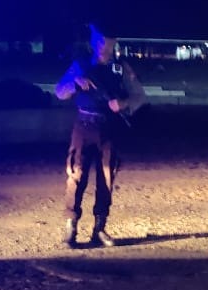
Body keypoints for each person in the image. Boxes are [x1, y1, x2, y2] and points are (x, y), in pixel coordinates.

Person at [55, 24, 146, 247]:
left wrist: (123, 103)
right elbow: (60, 92)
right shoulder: (81, 65)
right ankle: (70, 226)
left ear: (114, 42)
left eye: (107, 41)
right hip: (84, 125)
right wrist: (75, 83)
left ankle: (100, 228)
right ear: (93, 41)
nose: (103, 45)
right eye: (99, 40)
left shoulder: (121, 67)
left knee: (106, 178)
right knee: (76, 174)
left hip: (109, 128)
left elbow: (139, 96)